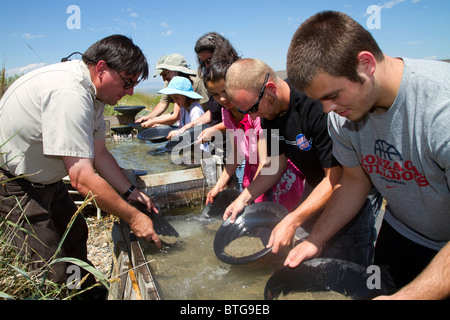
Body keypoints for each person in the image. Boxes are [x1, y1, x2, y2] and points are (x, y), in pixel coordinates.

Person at [285, 11, 450, 300]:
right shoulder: (341, 116)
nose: (327, 110)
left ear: (366, 64)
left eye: (333, 95)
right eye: (320, 100)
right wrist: (316, 239)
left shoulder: (441, 109)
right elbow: (353, 182)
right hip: (400, 233)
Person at [0, 35, 161, 292]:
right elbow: (82, 178)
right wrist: (134, 218)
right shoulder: (70, 94)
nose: (130, 91)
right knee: (50, 269)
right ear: (101, 68)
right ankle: (62, 293)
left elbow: (99, 154)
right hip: (18, 186)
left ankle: (83, 294)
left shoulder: (94, 96)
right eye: (128, 82)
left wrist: (131, 192)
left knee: (76, 235)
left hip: (48, 181)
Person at [224, 58, 383, 268]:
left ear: (270, 90)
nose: (252, 116)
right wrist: (243, 198)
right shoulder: (268, 114)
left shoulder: (315, 107)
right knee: (305, 253)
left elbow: (335, 178)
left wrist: (292, 219)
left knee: (343, 262)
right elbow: (276, 164)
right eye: (245, 111)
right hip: (316, 184)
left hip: (350, 189)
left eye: (252, 108)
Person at [204, 60, 305, 211]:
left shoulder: (258, 111)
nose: (223, 99)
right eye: (216, 95)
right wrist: (219, 184)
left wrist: (250, 198)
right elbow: (237, 153)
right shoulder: (227, 113)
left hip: (272, 176)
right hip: (254, 176)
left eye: (225, 91)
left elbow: (267, 161)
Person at [137, 54, 209, 128]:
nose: (164, 79)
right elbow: (164, 104)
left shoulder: (197, 82)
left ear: (176, 71)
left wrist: (153, 121)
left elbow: (177, 116)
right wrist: (148, 118)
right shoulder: (171, 84)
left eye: (165, 74)